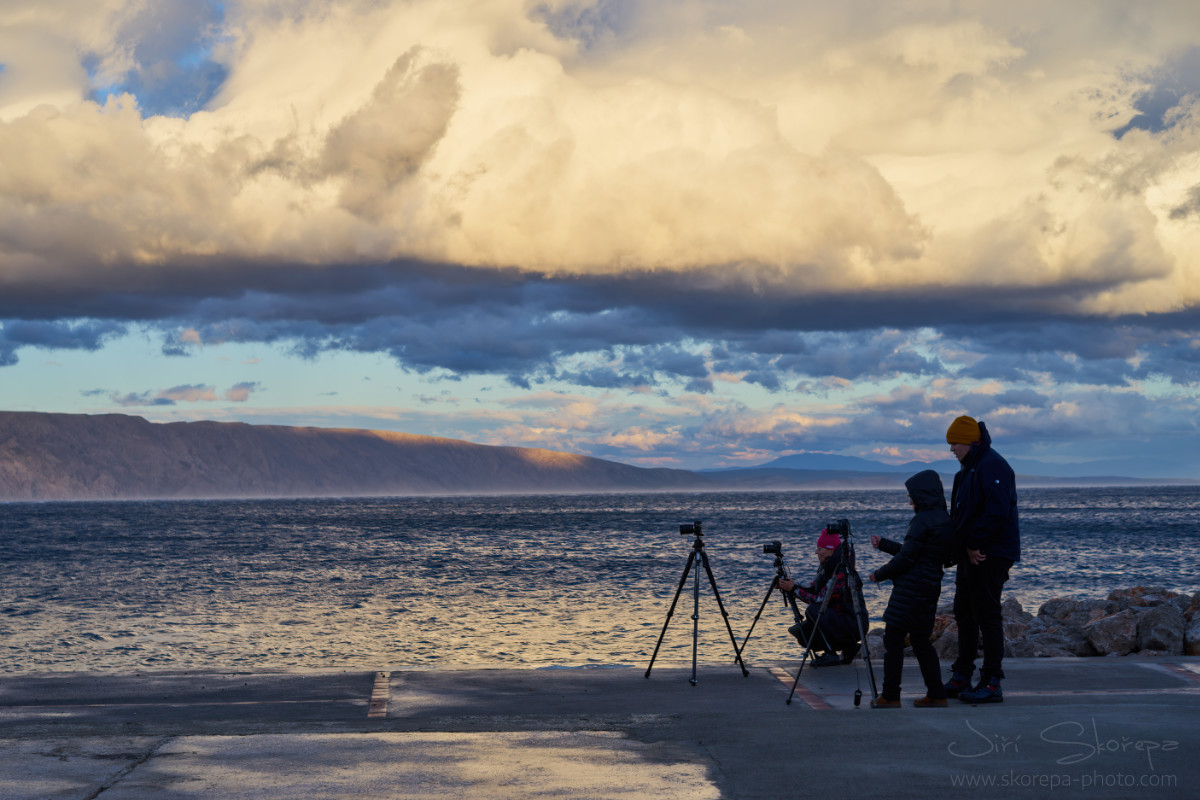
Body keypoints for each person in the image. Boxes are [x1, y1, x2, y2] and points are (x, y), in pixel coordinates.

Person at [943, 415, 1020, 704]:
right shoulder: (967, 469)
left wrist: (975, 543)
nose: (951, 449)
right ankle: (962, 673)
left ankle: (992, 681)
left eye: (954, 444)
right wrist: (961, 548)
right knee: (963, 612)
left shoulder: (992, 465)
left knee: (987, 615)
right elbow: (961, 516)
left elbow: (997, 511)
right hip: (970, 555)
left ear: (969, 442)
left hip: (992, 554)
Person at [867, 470, 954, 708]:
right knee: (921, 641)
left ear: (921, 495)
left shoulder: (922, 520)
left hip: (909, 590)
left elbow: (907, 559)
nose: (909, 500)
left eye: (911, 495)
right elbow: (918, 555)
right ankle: (937, 694)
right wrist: (884, 544)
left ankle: (890, 696)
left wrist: (879, 574)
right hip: (929, 589)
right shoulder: (945, 520)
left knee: (893, 639)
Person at [778, 528, 867, 667]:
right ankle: (849, 647)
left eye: (820, 549)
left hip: (853, 623)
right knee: (802, 633)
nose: (816, 552)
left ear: (831, 551)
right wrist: (791, 586)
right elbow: (813, 590)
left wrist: (794, 589)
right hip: (841, 620)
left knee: (813, 610)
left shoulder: (841, 571)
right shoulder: (827, 568)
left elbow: (819, 600)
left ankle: (831, 653)